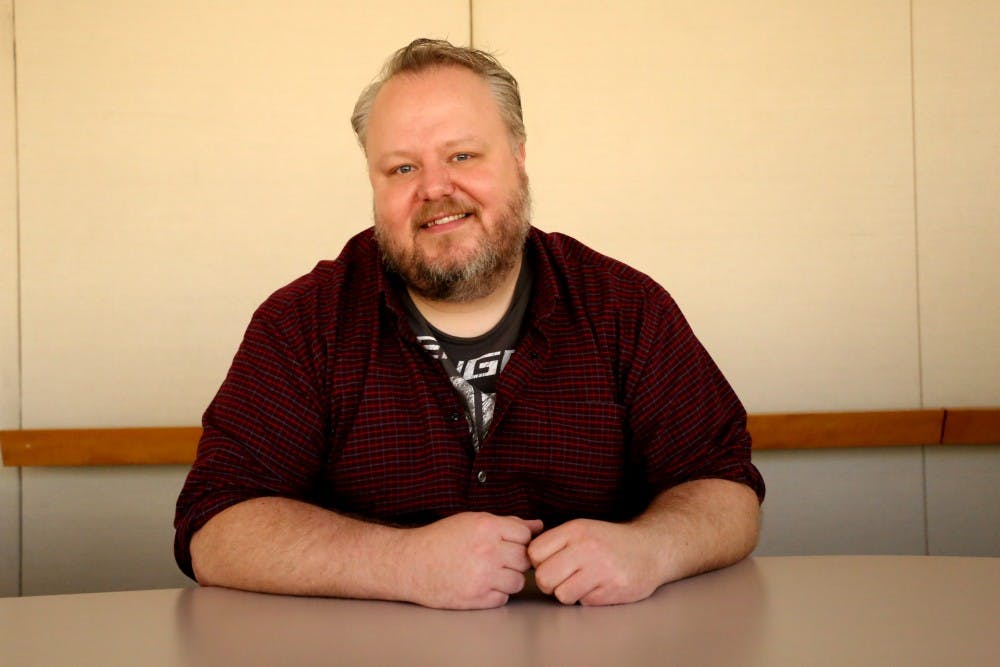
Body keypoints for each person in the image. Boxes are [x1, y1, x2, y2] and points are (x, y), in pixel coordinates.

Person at [174, 38, 764, 610]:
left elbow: (726, 488)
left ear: (519, 157)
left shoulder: (625, 308)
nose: (435, 188)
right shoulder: (302, 323)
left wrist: (651, 550)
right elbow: (214, 528)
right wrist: (401, 563)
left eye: (463, 155)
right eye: (402, 168)